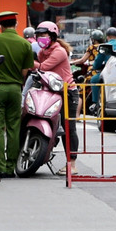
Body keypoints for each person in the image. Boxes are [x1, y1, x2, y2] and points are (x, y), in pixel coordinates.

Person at [0, 10, 34, 178]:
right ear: (16, 25)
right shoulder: (25, 44)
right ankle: (11, 167)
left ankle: (0, 167)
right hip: (15, 89)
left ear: (0, 26)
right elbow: (25, 72)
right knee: (13, 127)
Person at [34, 21, 79, 175]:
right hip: (52, 92)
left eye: (44, 35)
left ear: (52, 36)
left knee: (69, 128)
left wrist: (26, 62)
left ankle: (72, 164)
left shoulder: (59, 51)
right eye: (38, 35)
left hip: (68, 92)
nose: (41, 38)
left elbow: (43, 67)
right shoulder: (41, 53)